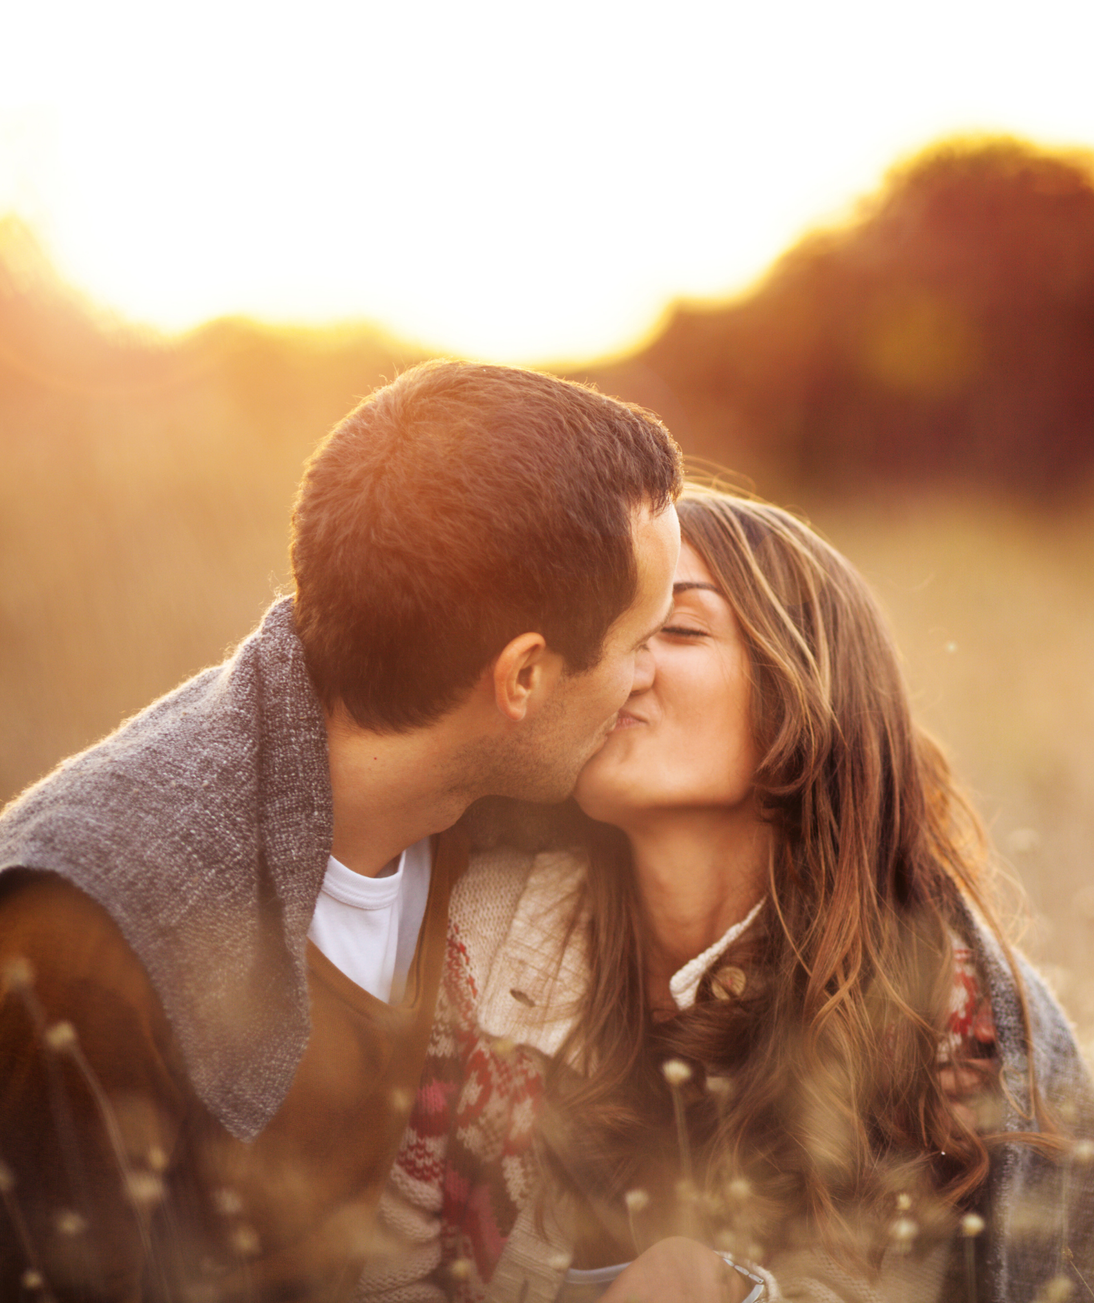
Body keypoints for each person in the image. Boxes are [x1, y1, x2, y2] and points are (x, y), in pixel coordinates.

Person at [360, 488, 1094, 1303]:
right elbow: (376, 1276)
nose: (617, 666)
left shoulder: (937, 1012)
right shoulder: (473, 932)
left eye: (676, 629)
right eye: (599, 634)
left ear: (805, 685)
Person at [0, 360, 684, 1301]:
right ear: (523, 677)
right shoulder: (93, 938)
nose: (650, 678)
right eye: (642, 641)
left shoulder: (481, 809)